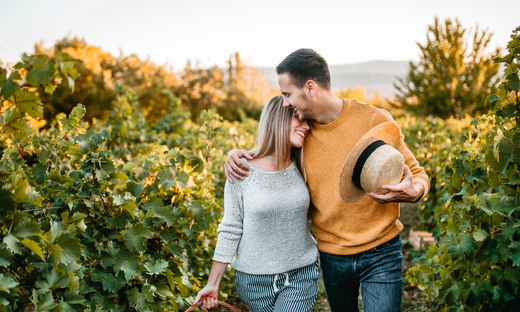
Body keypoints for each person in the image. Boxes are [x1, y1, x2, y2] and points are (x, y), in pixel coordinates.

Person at [225, 49, 430, 312]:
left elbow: (419, 175)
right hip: (333, 257)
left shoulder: (374, 120)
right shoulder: (301, 135)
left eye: (287, 94)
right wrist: (237, 156)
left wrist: (414, 192)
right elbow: (271, 155)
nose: (285, 103)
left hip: (381, 251)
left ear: (310, 88)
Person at [194, 95, 319, 312]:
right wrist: (212, 284)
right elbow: (231, 226)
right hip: (253, 282)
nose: (306, 126)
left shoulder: (305, 162)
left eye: (307, 120)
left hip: (301, 273)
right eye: (299, 118)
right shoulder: (241, 168)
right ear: (278, 120)